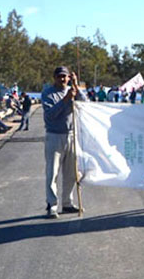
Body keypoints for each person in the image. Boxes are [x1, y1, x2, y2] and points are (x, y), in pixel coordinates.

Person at [41, 66, 88, 218]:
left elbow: (85, 103)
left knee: (71, 173)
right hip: (54, 135)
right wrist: (65, 99)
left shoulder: (72, 90)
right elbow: (50, 115)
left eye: (65, 76)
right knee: (52, 172)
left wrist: (76, 86)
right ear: (54, 78)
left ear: (68, 78)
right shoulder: (48, 93)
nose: (62, 79)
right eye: (59, 76)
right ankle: (52, 205)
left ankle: (67, 203)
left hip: (72, 135)